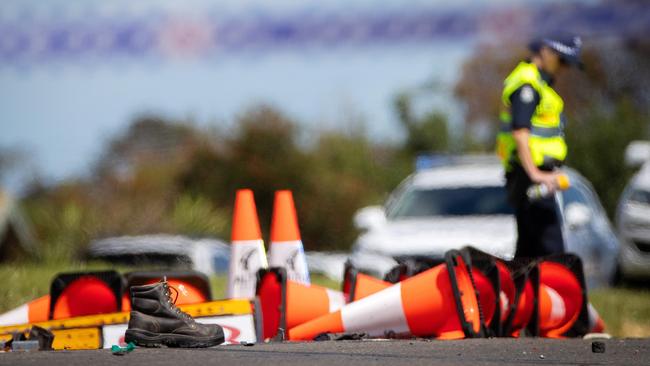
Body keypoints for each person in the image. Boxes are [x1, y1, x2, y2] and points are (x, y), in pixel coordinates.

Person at [495, 35, 584, 258]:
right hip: (530, 176)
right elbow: (520, 131)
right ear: (545, 51)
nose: (563, 69)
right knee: (551, 248)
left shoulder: (538, 84)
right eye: (561, 61)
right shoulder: (528, 84)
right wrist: (536, 174)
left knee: (529, 251)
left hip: (535, 175)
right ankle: (556, 291)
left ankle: (523, 293)